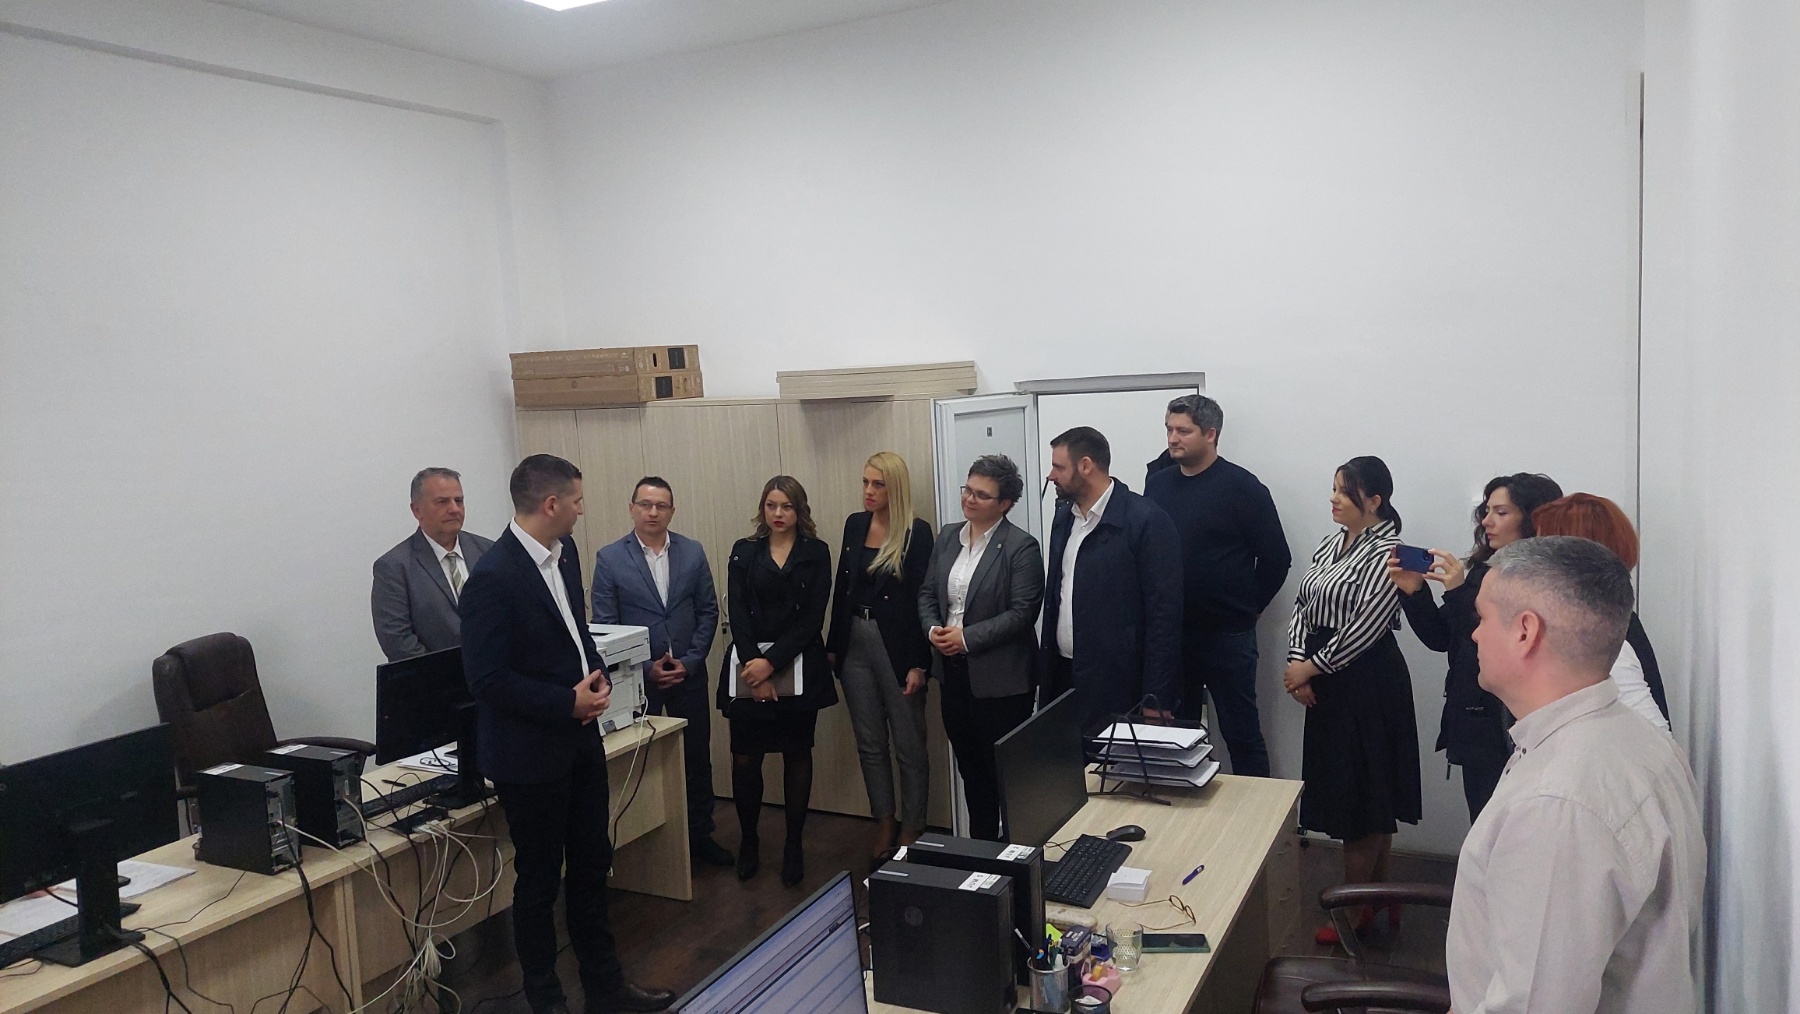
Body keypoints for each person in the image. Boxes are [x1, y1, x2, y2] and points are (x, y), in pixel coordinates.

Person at [1449, 536, 1704, 1013]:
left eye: (1482, 619)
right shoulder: (1636, 739)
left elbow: (1534, 1005)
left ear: (1525, 632)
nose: (1475, 635)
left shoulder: (1558, 805)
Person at [459, 455, 672, 1014]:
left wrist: (596, 671)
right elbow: (486, 680)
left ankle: (606, 988)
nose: (582, 510)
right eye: (576, 501)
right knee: (538, 883)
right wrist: (564, 702)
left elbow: (576, 629)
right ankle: (547, 1000)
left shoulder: (566, 552)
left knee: (591, 865)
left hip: (580, 740)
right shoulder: (493, 578)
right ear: (551, 504)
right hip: (529, 755)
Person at [1281, 455, 1419, 946]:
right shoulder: (1331, 542)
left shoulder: (1391, 551)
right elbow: (1302, 605)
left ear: (1374, 500)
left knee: (1362, 795)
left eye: (1344, 491)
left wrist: (1311, 667)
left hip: (1367, 681)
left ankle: (1357, 905)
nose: (1334, 498)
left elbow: (1369, 624)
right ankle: (1378, 893)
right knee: (1358, 789)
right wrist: (1298, 661)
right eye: (1334, 488)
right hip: (1327, 676)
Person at [1386, 472, 1564, 819]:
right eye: (1487, 510)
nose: (1486, 521)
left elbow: (1501, 642)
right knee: (1483, 820)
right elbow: (1442, 638)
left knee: (1514, 824)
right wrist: (1414, 592)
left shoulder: (1544, 576)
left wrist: (1457, 592)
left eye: (1501, 512)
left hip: (1510, 722)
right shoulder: (1484, 569)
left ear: (1532, 518)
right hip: (1473, 719)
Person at [1143, 394, 1290, 777]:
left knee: (1241, 734)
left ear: (1211, 434)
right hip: (1172, 636)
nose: (1172, 438)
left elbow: (1277, 558)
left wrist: (1249, 608)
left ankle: (1259, 811)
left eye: (1183, 431)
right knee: (1178, 733)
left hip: (1228, 636)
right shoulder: (1158, 487)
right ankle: (1185, 807)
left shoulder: (1243, 487)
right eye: (1169, 429)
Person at [591, 476, 730, 868]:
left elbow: (708, 611)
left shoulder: (692, 551)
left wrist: (691, 660)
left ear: (672, 510)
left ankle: (700, 834)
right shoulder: (610, 558)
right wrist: (644, 667)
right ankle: (644, 845)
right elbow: (605, 625)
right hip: (637, 681)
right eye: (645, 504)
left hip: (688, 674)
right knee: (640, 761)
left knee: (696, 757)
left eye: (661, 506)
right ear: (632, 508)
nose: (653, 512)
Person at [919, 455, 1045, 841]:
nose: (969, 499)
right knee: (971, 773)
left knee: (1003, 776)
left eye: (981, 495)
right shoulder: (947, 537)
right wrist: (933, 630)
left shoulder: (1020, 547)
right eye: (967, 490)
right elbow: (927, 593)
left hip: (1001, 683)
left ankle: (1014, 855)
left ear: (1004, 503)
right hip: (953, 676)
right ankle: (981, 852)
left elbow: (1022, 613)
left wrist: (966, 638)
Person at [720, 476, 838, 887]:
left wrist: (771, 664)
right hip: (748, 667)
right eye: (771, 505)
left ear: (799, 510)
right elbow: (737, 613)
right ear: (763, 508)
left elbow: (812, 619)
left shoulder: (816, 553)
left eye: (786, 506)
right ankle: (749, 841)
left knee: (796, 754)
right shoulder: (744, 550)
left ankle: (793, 845)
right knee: (745, 758)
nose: (778, 513)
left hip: (799, 664)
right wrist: (755, 669)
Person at [826, 452, 934, 858]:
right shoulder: (855, 524)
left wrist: (919, 662)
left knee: (909, 744)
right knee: (870, 743)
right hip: (855, 640)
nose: (868, 491)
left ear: (896, 487)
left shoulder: (916, 532)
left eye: (878, 484)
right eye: (865, 482)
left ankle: (913, 825)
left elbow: (925, 598)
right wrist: (833, 646)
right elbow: (842, 588)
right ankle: (884, 820)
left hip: (898, 646)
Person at [1041, 426, 1183, 732]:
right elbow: (1056, 596)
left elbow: (1164, 617)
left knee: (1112, 763)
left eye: (1058, 467)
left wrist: (1157, 696)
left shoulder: (1145, 521)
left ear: (1086, 465)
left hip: (1118, 684)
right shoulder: (1064, 517)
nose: (1051, 476)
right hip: (1063, 674)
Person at [1528, 493, 1671, 731]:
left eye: (1541, 545)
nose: (1531, 559)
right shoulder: (1604, 618)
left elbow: (1656, 735)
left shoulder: (1602, 635)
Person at [372, 467, 494, 661]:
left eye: (459, 501)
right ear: (416, 510)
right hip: (437, 677)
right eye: (442, 502)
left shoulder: (488, 551)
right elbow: (397, 640)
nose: (454, 509)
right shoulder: (394, 567)